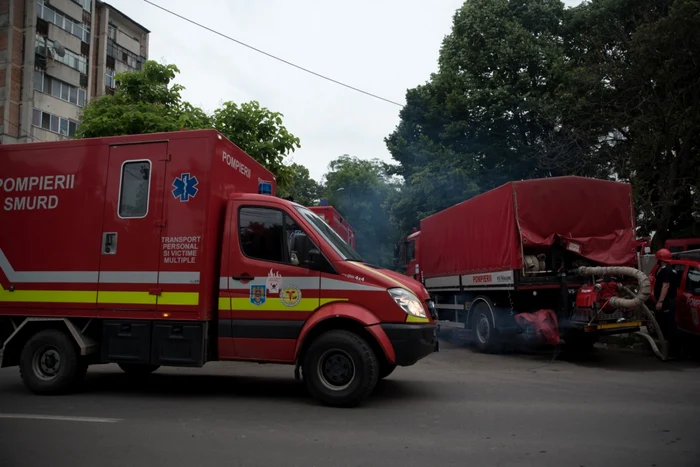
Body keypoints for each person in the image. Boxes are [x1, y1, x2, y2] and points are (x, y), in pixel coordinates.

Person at [653, 248, 680, 358]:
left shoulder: (666, 270)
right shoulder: (666, 269)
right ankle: (668, 350)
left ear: (660, 258)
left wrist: (660, 301)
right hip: (667, 301)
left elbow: (666, 285)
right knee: (665, 324)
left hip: (667, 302)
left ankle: (674, 352)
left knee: (669, 326)